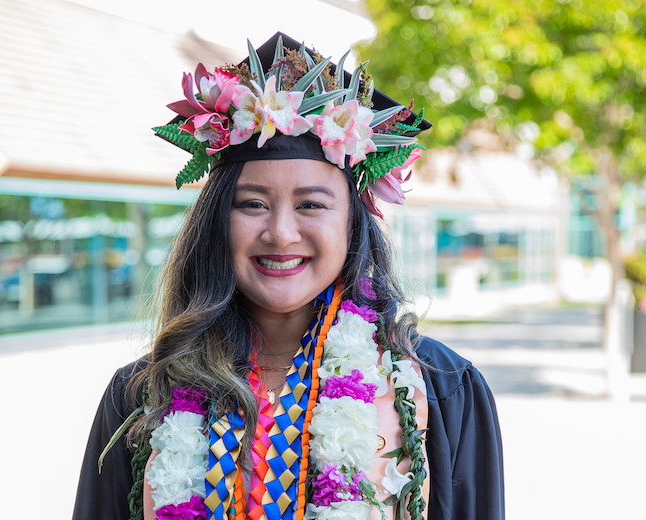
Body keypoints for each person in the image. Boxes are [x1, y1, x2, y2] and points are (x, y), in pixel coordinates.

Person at [73, 32, 504, 520]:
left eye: (311, 205)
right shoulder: (144, 395)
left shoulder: (441, 388)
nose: (280, 233)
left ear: (352, 223)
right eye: (252, 204)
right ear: (217, 222)